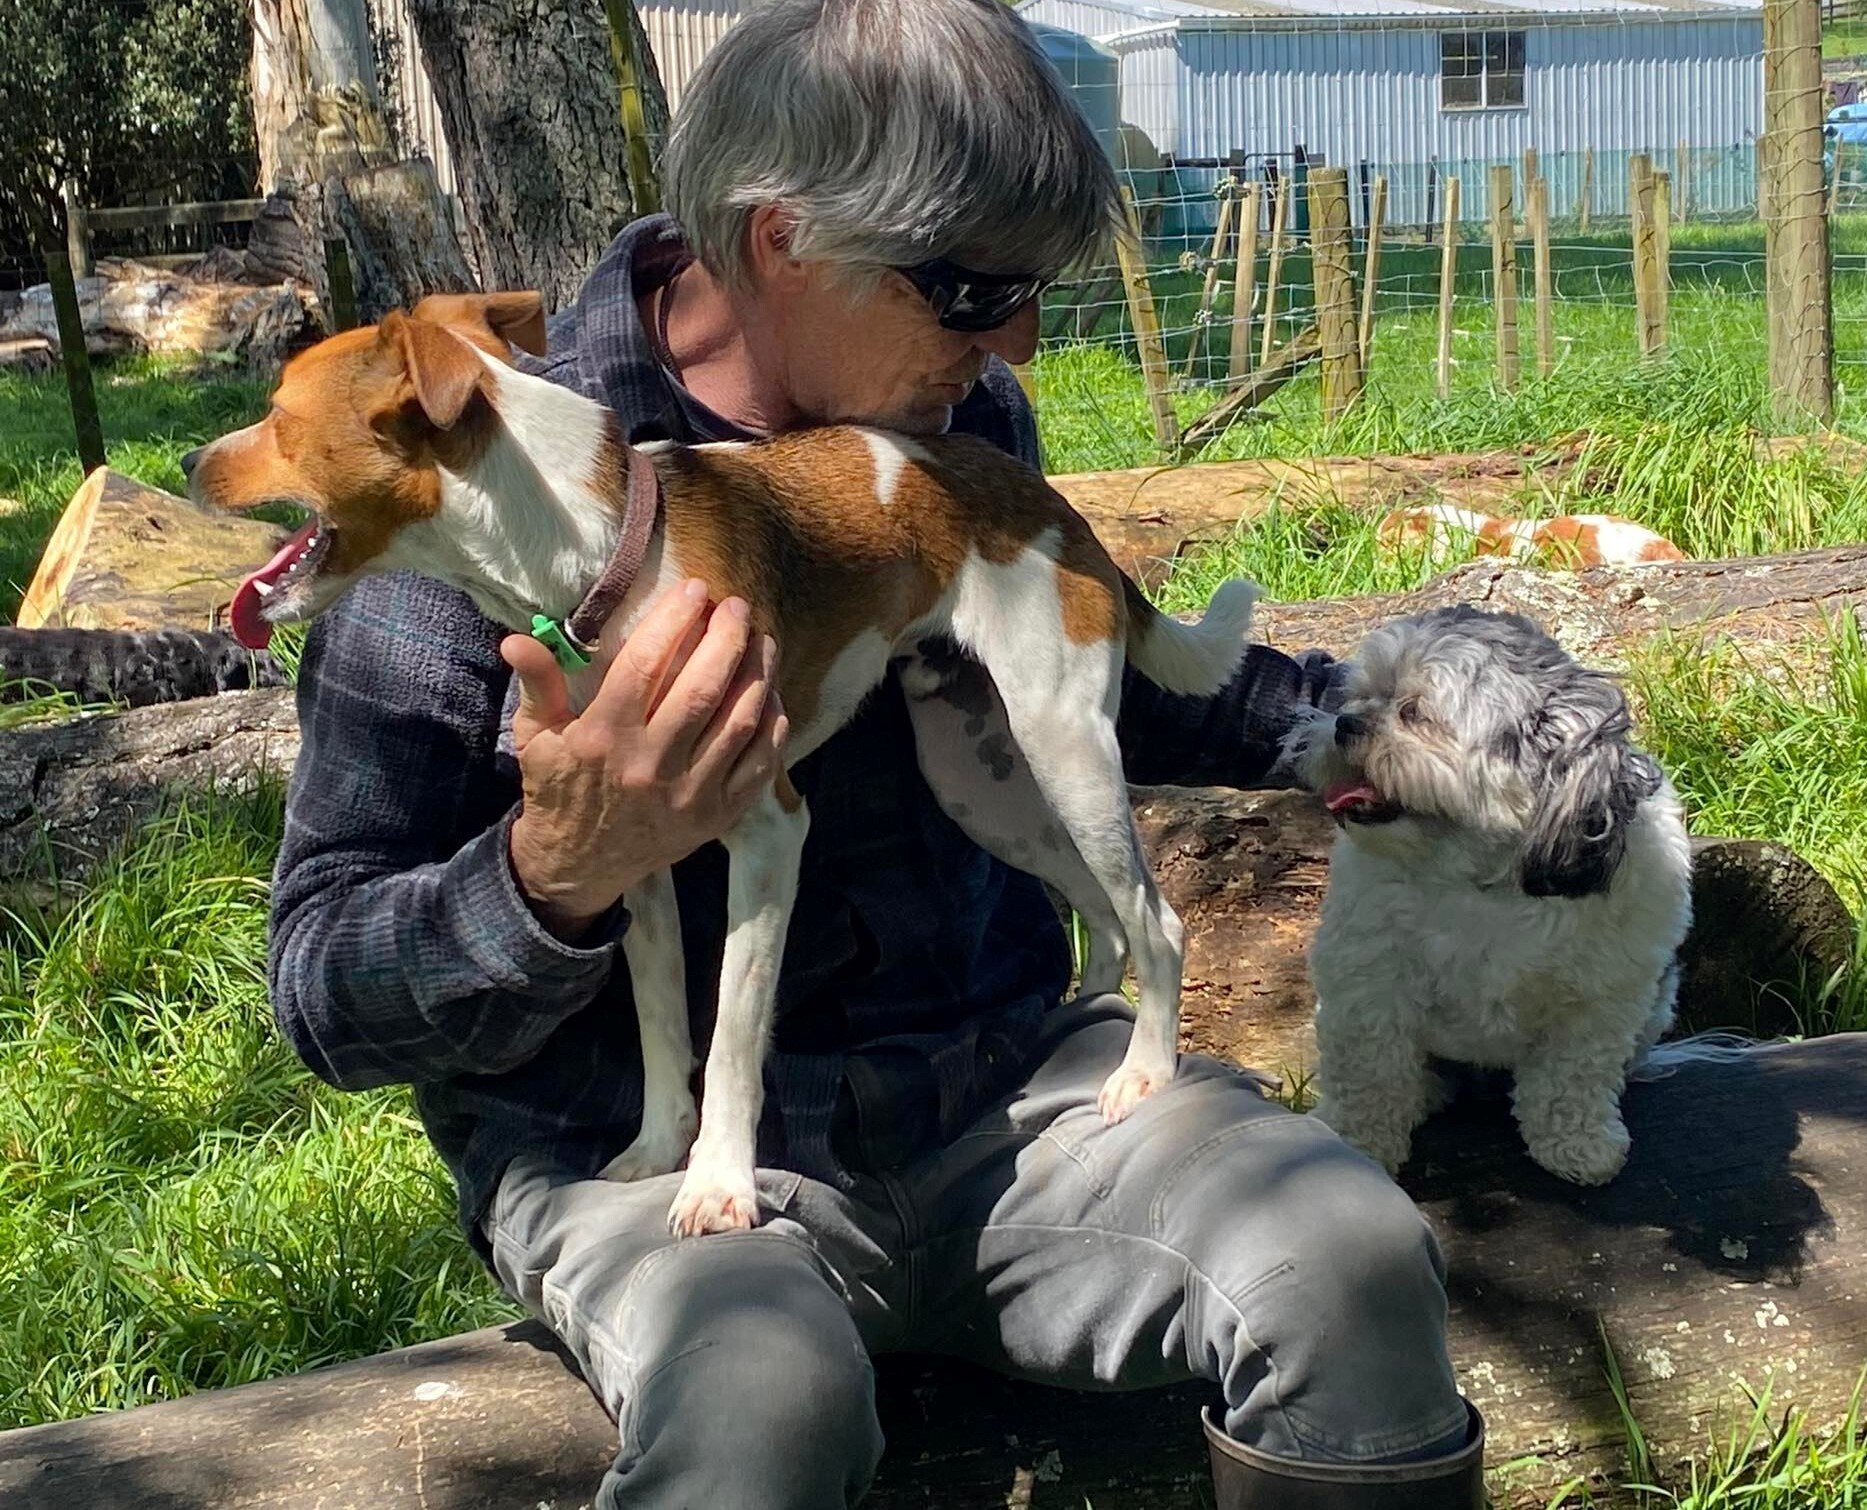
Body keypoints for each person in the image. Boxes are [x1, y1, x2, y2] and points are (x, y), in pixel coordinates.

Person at [268, 0, 1483, 1503]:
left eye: (1029, 292)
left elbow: (1098, 685)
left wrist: (1372, 735)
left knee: (1354, 1259)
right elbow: (323, 990)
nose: (1016, 341)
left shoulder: (952, 418)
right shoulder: (467, 492)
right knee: (755, 1405)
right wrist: (551, 873)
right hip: (643, 1167)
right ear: (788, 241)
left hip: (1005, 1096)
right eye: (974, 287)